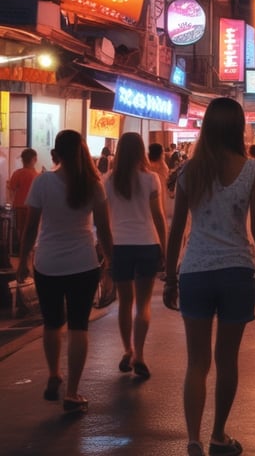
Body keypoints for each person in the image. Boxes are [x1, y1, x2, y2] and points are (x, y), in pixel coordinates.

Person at [163, 97, 255, 456]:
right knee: (227, 361)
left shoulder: (189, 171)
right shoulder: (253, 170)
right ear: (239, 128)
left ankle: (193, 440)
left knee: (196, 362)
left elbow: (176, 229)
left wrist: (169, 277)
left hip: (195, 271)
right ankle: (218, 435)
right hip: (237, 273)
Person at [17, 130, 113, 413]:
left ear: (55, 154)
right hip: (83, 264)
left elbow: (30, 228)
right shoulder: (93, 184)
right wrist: (111, 260)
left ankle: (53, 374)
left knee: (52, 323)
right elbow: (104, 230)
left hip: (48, 264)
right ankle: (72, 392)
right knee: (78, 326)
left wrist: (22, 261)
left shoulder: (43, 182)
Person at [105, 133, 167, 379]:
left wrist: (105, 249)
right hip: (147, 243)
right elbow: (158, 216)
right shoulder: (151, 178)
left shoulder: (109, 180)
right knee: (143, 304)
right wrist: (164, 247)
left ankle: (127, 350)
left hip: (119, 245)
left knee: (124, 302)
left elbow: (104, 218)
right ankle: (139, 354)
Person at [7, 147, 38, 266]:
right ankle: (30, 252)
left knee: (21, 230)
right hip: (33, 207)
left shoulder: (18, 173)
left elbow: (11, 189)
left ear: (22, 160)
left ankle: (23, 253)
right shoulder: (36, 175)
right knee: (32, 229)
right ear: (34, 159)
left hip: (19, 206)